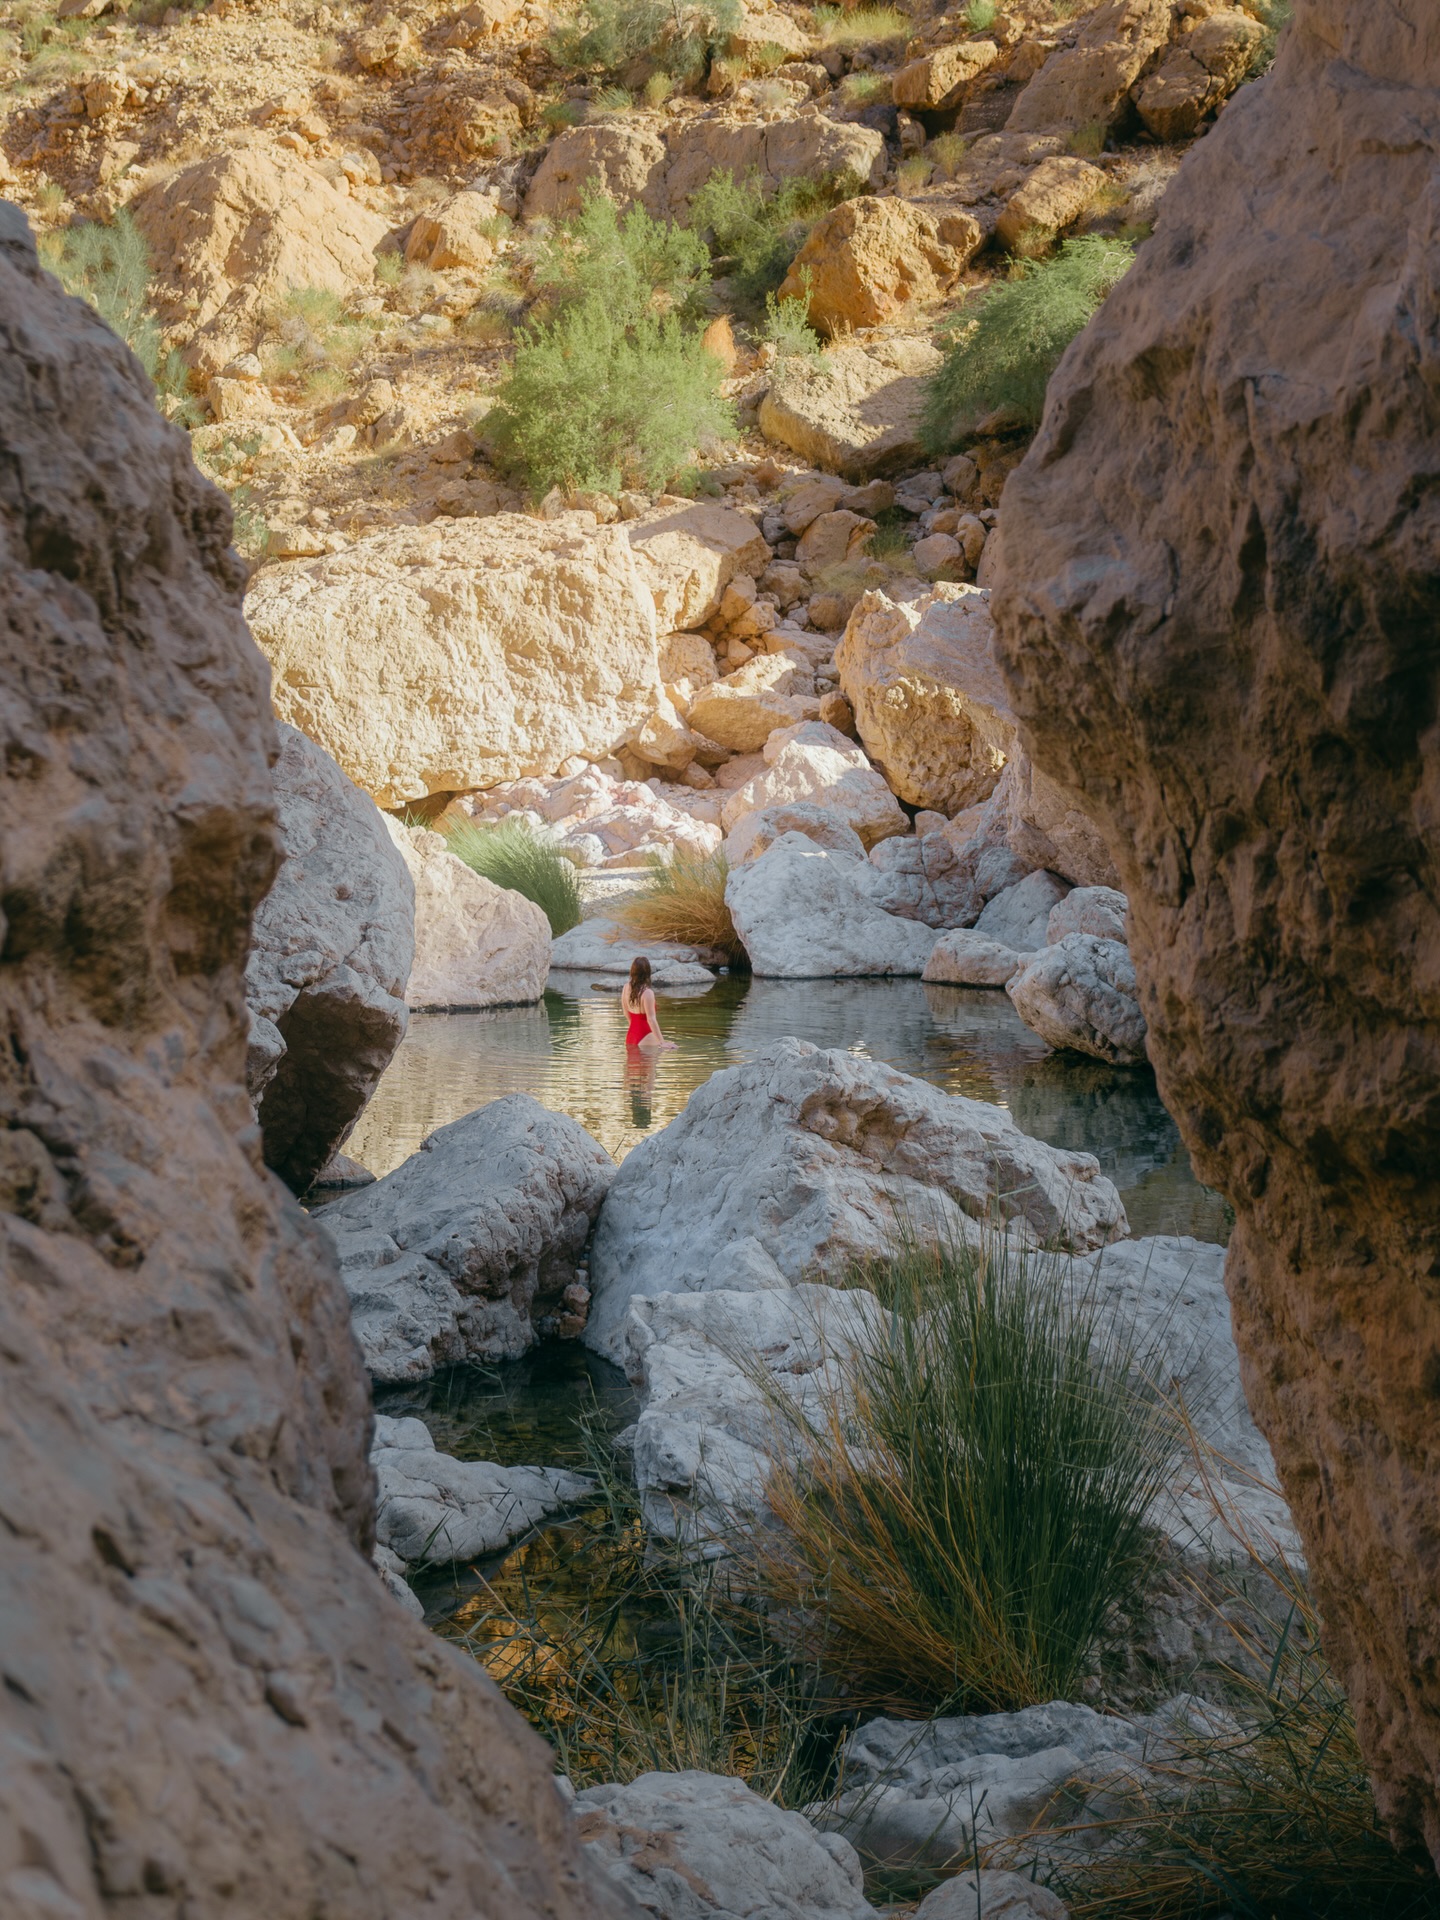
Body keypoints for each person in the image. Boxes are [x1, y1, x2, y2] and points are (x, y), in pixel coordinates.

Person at [621, 955, 676, 1050]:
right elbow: (651, 1019)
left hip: (631, 1035)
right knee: (673, 1048)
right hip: (645, 1034)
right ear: (648, 973)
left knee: (633, 1064)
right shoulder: (647, 993)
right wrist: (662, 1042)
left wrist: (635, 1030)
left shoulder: (626, 987)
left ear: (632, 971)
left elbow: (625, 1013)